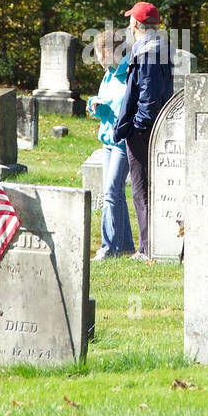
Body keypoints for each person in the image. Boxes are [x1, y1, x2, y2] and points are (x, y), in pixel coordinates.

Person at [113, 1, 174, 260]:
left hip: (144, 132)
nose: (129, 25)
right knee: (147, 190)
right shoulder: (155, 49)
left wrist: (136, 127)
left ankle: (148, 249)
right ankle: (151, 246)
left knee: (142, 191)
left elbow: (148, 97)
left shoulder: (149, 52)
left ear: (136, 24)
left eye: (130, 21)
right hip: (150, 129)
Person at [86, 29, 136, 260]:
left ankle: (108, 248)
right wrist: (93, 105)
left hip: (123, 141)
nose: (96, 59)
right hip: (107, 140)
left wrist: (110, 111)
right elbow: (103, 102)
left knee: (110, 193)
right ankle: (125, 246)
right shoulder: (109, 74)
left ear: (107, 51)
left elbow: (128, 109)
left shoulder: (129, 73)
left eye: (97, 53)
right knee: (115, 194)